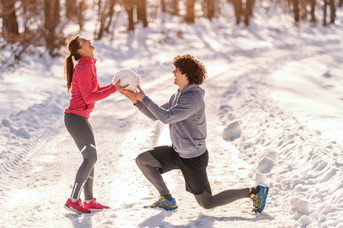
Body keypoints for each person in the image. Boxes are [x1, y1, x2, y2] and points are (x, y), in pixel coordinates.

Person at [121, 54, 269, 212]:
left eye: (176, 70)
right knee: (143, 160)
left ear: (186, 74)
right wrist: (137, 100)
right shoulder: (177, 96)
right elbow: (154, 115)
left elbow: (166, 117)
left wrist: (145, 98)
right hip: (178, 152)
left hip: (193, 158)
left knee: (207, 203)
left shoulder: (193, 99)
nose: (173, 72)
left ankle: (255, 192)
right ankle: (167, 199)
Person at [63, 35, 127, 214]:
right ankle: (73, 200)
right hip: (75, 118)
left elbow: (95, 91)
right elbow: (89, 97)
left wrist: (115, 87)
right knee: (90, 158)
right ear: (80, 50)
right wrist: (114, 89)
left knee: (91, 158)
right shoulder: (83, 67)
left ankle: (89, 200)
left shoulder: (89, 65)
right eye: (84, 41)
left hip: (81, 118)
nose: (89, 40)